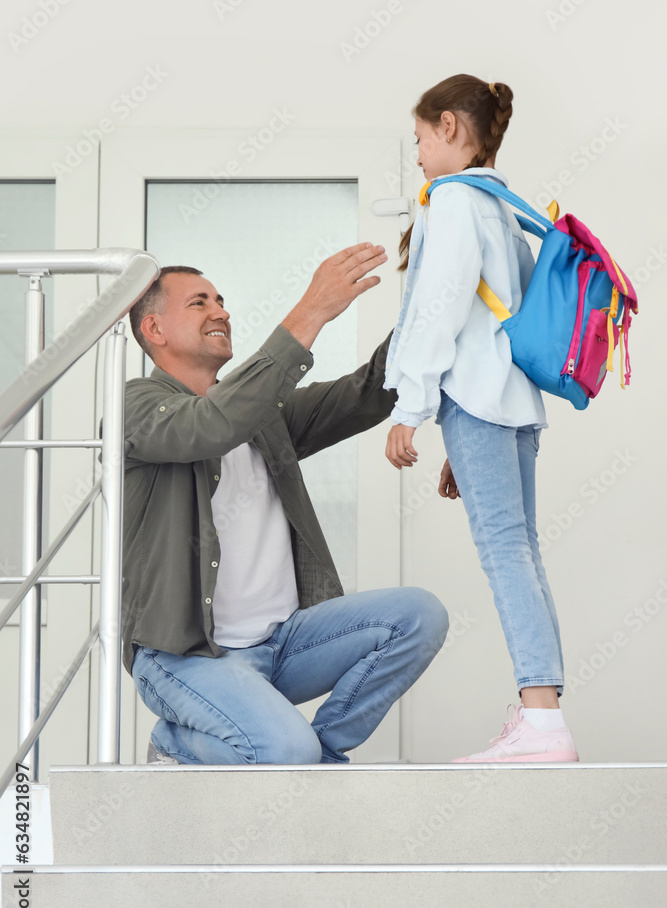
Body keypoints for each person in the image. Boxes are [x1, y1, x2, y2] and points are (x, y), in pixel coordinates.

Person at [121, 244, 449, 765]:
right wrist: (312, 310)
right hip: (184, 659)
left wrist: (431, 302)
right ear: (154, 331)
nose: (221, 311)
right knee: (284, 753)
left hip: (284, 645)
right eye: (199, 303)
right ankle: (178, 743)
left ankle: (320, 755)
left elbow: (367, 393)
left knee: (418, 615)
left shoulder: (263, 416)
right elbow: (209, 427)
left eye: (221, 301)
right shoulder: (134, 409)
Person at [383, 73, 579, 763]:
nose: (415, 157)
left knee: (504, 554)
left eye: (417, 139)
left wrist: (411, 406)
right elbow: (492, 322)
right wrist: (454, 436)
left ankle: (541, 721)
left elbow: (439, 307)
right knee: (519, 549)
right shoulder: (497, 203)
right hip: (505, 404)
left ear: (447, 126)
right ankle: (542, 716)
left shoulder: (457, 199)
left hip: (478, 404)